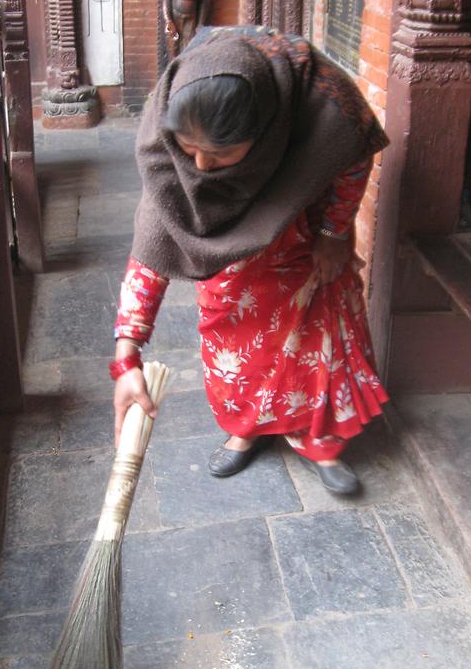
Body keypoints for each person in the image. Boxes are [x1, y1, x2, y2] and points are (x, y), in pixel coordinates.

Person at [111, 25, 389, 496]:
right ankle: (249, 428)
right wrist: (127, 354)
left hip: (304, 240)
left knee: (314, 339)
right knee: (239, 349)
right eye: (189, 149)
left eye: (221, 154)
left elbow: (353, 160)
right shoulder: (168, 152)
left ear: (266, 134)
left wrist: (332, 233)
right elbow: (152, 253)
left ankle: (316, 439)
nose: (200, 169)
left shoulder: (324, 104)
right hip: (233, 270)